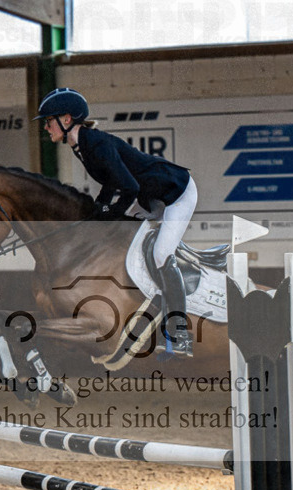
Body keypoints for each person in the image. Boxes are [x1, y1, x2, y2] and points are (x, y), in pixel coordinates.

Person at [36, 87, 196, 357]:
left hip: (176, 194)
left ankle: (180, 334)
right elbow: (112, 185)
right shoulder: (82, 145)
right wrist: (97, 213)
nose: (45, 128)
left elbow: (129, 187)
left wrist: (104, 217)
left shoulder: (94, 144)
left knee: (161, 254)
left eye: (48, 121)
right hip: (150, 199)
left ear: (66, 120)